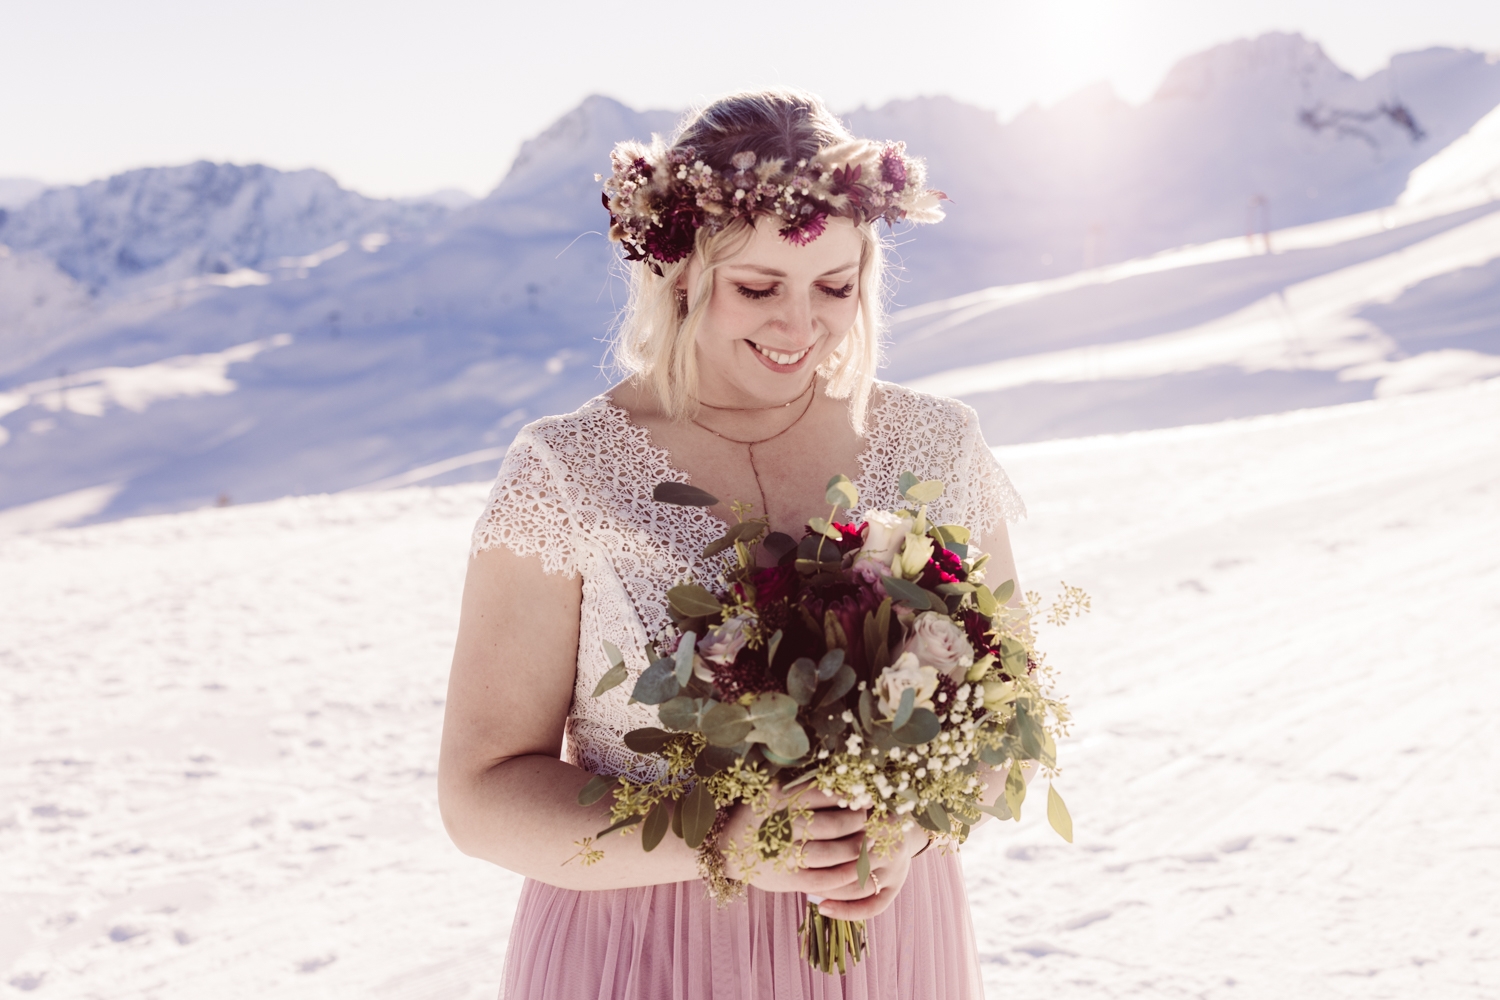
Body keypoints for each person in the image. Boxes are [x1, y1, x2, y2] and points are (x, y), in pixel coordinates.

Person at [439, 88, 1026, 999]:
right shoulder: (567, 472)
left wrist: (905, 825)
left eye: (835, 287)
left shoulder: (937, 447)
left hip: (882, 937)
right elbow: (480, 794)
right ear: (679, 274)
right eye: (759, 289)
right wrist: (719, 840)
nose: (801, 328)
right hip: (637, 946)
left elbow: (1006, 727)